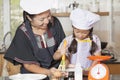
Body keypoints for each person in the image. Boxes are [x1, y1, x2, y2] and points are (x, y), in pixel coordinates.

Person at [4, 0, 65, 79]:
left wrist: (63, 67)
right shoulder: (22, 33)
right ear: (29, 18)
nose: (47, 21)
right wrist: (49, 72)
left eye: (48, 16)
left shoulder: (55, 23)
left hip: (56, 73)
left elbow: (64, 47)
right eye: (41, 19)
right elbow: (29, 65)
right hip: (33, 76)